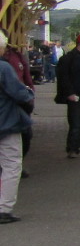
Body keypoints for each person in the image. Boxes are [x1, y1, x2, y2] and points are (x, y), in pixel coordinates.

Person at [0, 43, 34, 224]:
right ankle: (3, 209)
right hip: (6, 122)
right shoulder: (4, 68)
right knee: (11, 164)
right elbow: (19, 93)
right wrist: (28, 95)